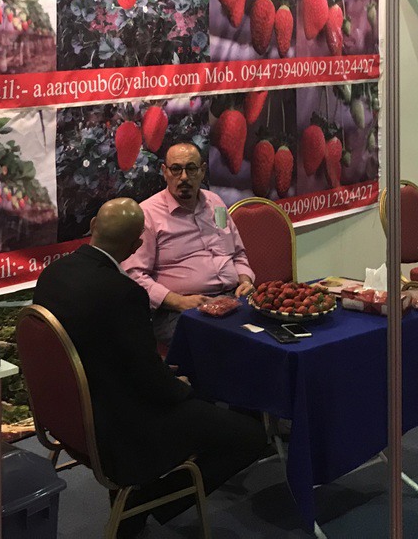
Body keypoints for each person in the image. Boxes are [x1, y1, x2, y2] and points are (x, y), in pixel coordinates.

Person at [32, 198, 266, 536]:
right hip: (119, 427)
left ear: (93, 226)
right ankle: (148, 502)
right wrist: (185, 388)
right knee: (250, 437)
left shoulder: (53, 273)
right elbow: (150, 380)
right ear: (136, 246)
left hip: (68, 415)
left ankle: (139, 503)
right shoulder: (123, 293)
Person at [123, 142, 255, 344]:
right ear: (165, 172)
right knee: (228, 344)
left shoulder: (216, 203)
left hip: (234, 299)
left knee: (269, 333)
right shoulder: (148, 215)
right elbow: (134, 276)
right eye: (176, 169)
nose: (184, 177)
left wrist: (245, 281)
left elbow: (237, 253)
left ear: (202, 171)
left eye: (191, 169)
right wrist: (179, 301)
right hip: (179, 310)